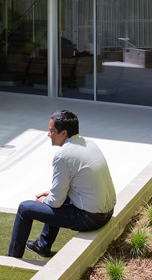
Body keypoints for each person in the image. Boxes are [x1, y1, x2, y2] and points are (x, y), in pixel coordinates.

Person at [7, 110, 116, 258]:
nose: (48, 134)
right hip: (107, 212)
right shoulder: (89, 143)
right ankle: (42, 245)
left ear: (63, 133)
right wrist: (52, 194)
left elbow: (55, 202)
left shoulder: (63, 155)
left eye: (52, 131)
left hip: (90, 219)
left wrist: (44, 200)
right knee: (56, 199)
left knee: (25, 208)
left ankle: (12, 257)